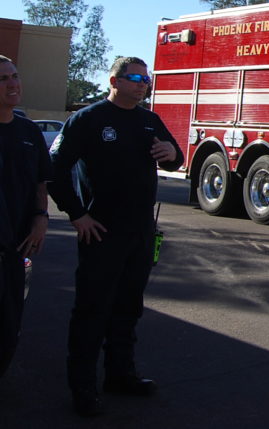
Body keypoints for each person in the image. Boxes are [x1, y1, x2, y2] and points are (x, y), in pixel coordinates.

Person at [49, 56, 182, 417]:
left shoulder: (149, 120)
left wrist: (172, 153)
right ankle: (83, 387)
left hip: (140, 231)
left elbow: (175, 159)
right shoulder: (88, 120)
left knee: (128, 307)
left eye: (146, 79)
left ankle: (120, 374)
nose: (143, 84)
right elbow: (55, 170)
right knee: (92, 310)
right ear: (115, 81)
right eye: (136, 78)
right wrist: (77, 215)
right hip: (101, 231)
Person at [0, 55, 51, 379]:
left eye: (15, 76)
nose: (13, 84)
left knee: (8, 327)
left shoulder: (29, 131)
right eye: (3, 79)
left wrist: (41, 217)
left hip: (16, 249)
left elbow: (40, 183)